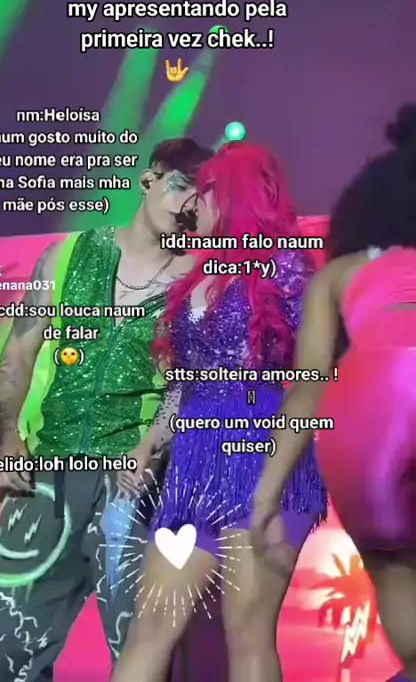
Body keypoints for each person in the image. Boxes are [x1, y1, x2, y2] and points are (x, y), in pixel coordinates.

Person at [0, 137, 213, 682]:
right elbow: (18, 352)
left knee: (140, 656)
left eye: (199, 195)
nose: (185, 203)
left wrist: (152, 450)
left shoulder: (196, 282)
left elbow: (188, 384)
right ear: (148, 179)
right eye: (179, 185)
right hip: (46, 474)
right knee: (8, 648)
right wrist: (7, 438)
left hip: (133, 484)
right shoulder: (64, 256)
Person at [113, 142, 328, 682]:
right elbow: (186, 380)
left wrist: (271, 485)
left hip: (262, 454)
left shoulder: (286, 270)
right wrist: (148, 444)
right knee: (150, 626)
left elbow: (313, 378)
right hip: (193, 465)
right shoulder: (196, 277)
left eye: (205, 192)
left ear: (233, 195)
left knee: (248, 635)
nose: (193, 205)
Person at [250, 105, 416, 682]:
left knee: (394, 566)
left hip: (366, 407)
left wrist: (266, 496)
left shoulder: (338, 274)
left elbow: (307, 391)